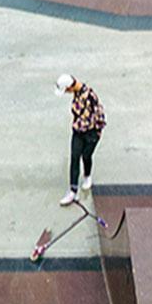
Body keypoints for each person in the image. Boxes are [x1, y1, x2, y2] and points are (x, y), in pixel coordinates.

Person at [56, 74, 106, 206]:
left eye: (66, 90)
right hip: (78, 131)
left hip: (91, 133)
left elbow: (99, 115)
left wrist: (96, 134)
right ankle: (73, 190)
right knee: (74, 157)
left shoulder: (90, 95)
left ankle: (87, 176)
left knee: (86, 156)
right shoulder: (77, 94)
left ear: (70, 87)